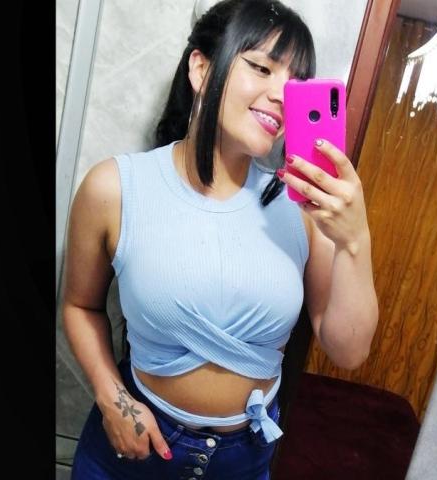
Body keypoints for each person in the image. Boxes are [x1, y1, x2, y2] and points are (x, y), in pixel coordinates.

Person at [62, 0, 378, 478]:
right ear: (201, 68)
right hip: (130, 451)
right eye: (261, 68)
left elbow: (349, 352)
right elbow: (79, 306)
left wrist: (355, 240)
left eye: (294, 83)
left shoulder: (303, 211)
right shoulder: (114, 188)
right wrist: (112, 399)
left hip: (242, 463)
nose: (281, 95)